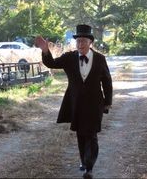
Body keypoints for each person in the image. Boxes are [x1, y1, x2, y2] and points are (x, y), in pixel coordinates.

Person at [35, 24, 113, 179]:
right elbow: (52, 63)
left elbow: (107, 81)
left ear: (90, 42)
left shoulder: (100, 59)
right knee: (80, 134)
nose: (80, 44)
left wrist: (108, 101)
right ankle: (83, 160)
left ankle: (89, 167)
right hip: (75, 103)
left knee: (91, 135)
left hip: (94, 104)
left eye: (83, 41)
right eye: (78, 41)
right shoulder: (69, 57)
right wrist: (45, 50)